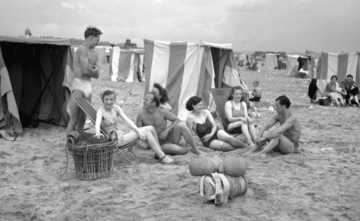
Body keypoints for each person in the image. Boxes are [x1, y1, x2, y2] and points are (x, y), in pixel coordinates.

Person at [94, 89, 173, 164]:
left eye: (111, 99)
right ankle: (162, 157)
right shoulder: (101, 111)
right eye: (106, 99)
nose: (109, 102)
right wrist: (97, 133)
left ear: (114, 100)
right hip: (115, 139)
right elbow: (97, 123)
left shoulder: (116, 108)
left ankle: (159, 153)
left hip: (121, 133)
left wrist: (138, 131)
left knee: (150, 128)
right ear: (103, 100)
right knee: (147, 131)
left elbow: (128, 121)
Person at [136, 92, 202, 155]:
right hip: (156, 144)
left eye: (146, 100)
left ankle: (195, 149)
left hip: (168, 139)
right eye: (144, 99)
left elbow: (177, 120)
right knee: (178, 150)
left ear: (153, 103)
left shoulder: (162, 111)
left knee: (181, 125)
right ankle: (167, 149)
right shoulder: (141, 115)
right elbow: (138, 131)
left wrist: (166, 131)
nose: (143, 101)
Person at [66, 26, 102, 137]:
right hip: (79, 86)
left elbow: (98, 74)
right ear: (90, 38)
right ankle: (69, 144)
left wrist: (92, 71)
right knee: (74, 120)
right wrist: (93, 71)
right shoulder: (81, 49)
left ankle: (79, 142)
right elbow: (86, 71)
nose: (98, 43)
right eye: (97, 40)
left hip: (88, 87)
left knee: (83, 120)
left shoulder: (94, 53)